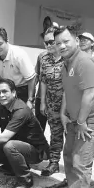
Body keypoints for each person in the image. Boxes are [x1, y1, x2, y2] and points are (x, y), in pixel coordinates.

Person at [51, 26, 94, 188]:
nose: (61, 46)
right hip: (76, 120)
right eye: (58, 43)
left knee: (79, 162)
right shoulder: (66, 63)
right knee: (68, 156)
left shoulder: (85, 62)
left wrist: (82, 122)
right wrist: (63, 113)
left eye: (66, 41)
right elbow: (68, 91)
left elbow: (90, 93)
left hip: (92, 121)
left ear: (76, 41)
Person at [37, 26, 64, 176]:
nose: (49, 45)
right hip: (52, 104)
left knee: (72, 137)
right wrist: (42, 102)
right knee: (55, 134)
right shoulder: (43, 58)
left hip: (69, 106)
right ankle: (54, 162)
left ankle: (73, 167)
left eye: (52, 42)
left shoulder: (69, 58)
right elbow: (43, 81)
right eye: (46, 42)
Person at [0, 28, 36, 109]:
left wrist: (30, 100)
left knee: (21, 117)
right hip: (6, 90)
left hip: (23, 89)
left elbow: (32, 79)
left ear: (7, 40)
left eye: (0, 44)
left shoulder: (19, 55)